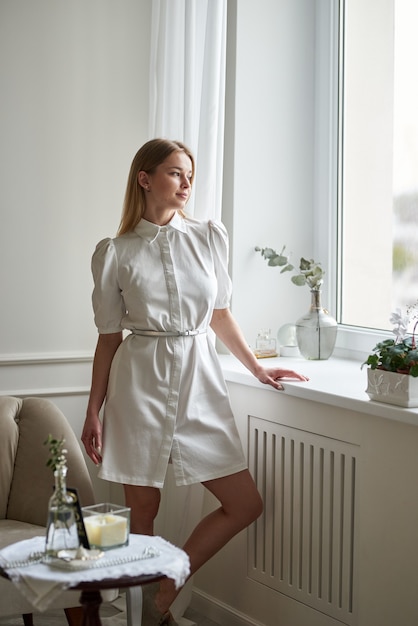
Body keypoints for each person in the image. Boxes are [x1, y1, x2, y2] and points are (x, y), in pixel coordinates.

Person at [81, 138, 309, 626]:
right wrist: (92, 410)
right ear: (145, 178)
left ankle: (166, 588)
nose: (186, 183)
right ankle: (143, 618)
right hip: (138, 382)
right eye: (174, 173)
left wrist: (258, 368)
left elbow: (221, 315)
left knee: (244, 503)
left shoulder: (208, 236)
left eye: (189, 175)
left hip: (199, 380)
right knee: (143, 511)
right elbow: (107, 339)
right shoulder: (115, 253)